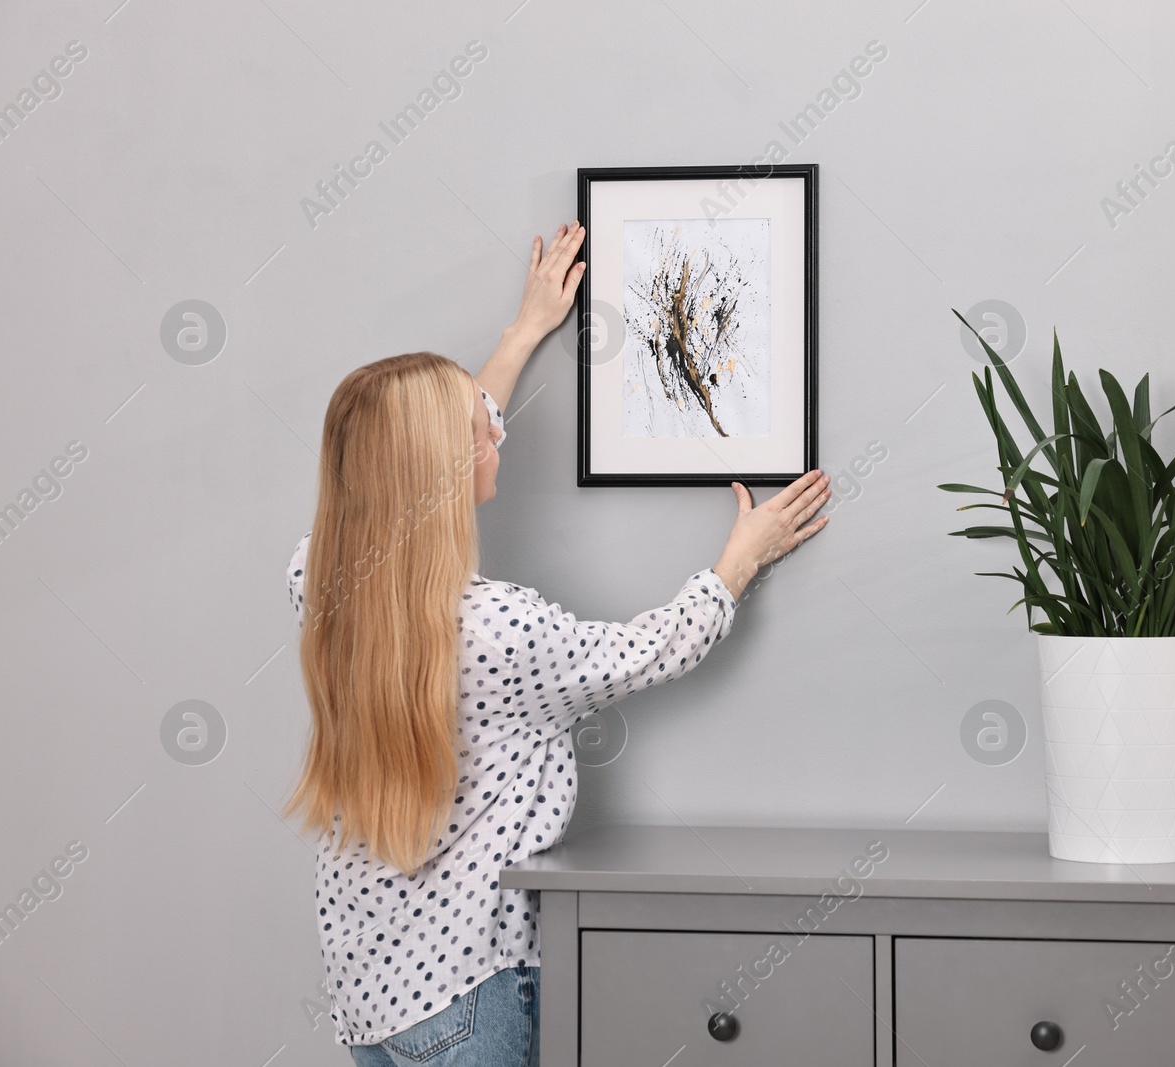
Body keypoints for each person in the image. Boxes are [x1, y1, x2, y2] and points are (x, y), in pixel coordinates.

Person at [280, 221, 829, 1065]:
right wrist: (738, 560)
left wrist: (523, 330)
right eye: (479, 431)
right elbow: (656, 648)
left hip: (370, 996)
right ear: (440, 469)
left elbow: (416, 455)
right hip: (470, 992)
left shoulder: (319, 580)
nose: (497, 432)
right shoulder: (503, 630)